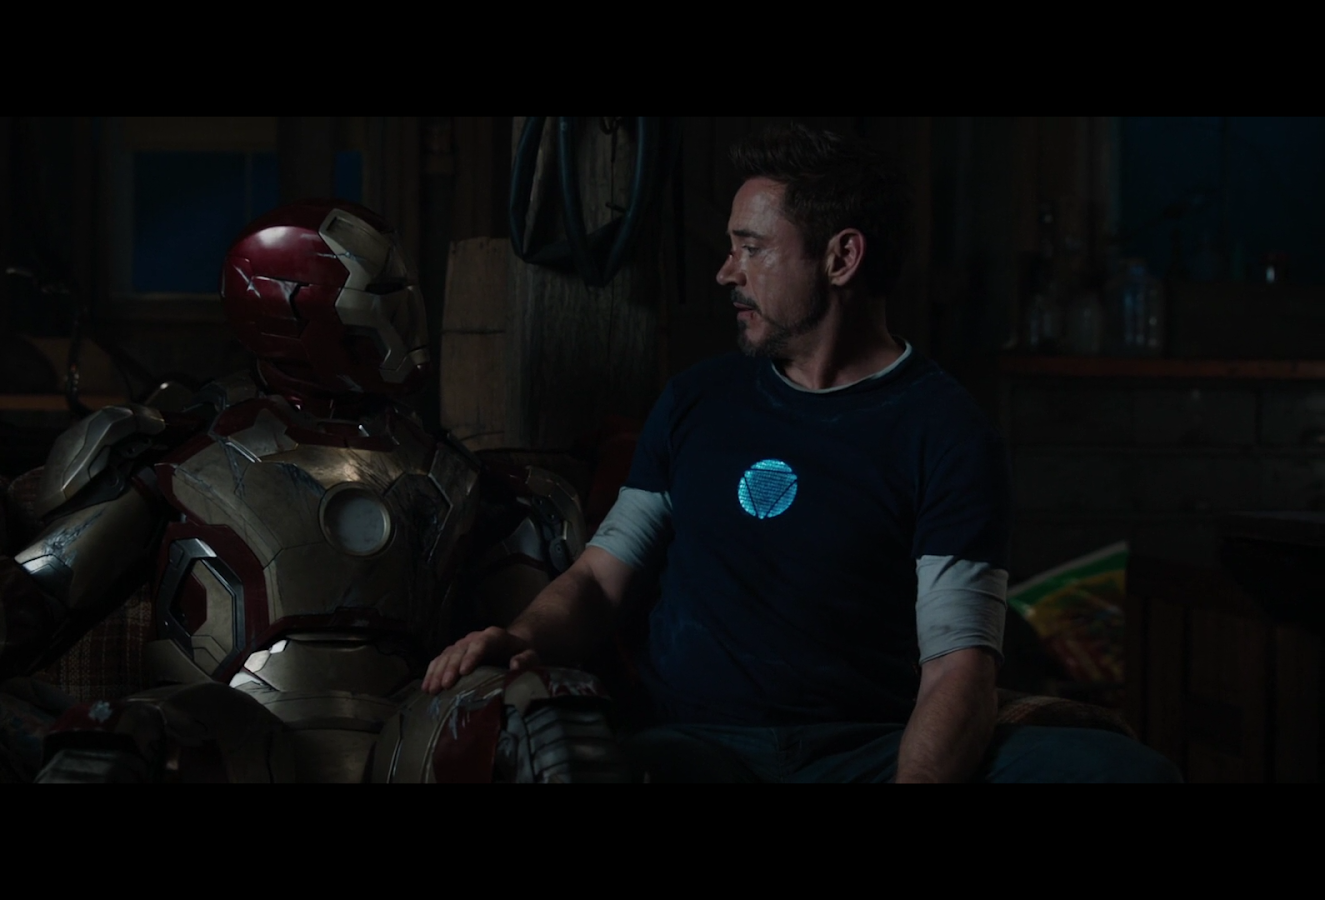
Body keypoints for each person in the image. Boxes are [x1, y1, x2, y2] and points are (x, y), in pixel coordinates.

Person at [0, 200, 623, 783]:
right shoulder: (189, 453)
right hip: (226, 724)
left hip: (410, 728)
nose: (402, 334)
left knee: (555, 726)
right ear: (300, 320)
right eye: (379, 313)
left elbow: (529, 639)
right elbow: (46, 585)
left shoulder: (460, 474)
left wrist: (526, 671)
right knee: (112, 743)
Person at [424, 123, 1182, 783]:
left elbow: (958, 666)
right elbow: (598, 580)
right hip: (693, 745)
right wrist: (520, 636)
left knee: (1122, 772)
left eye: (751, 248)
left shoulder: (946, 431)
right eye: (731, 248)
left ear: (841, 258)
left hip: (865, 751)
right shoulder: (698, 401)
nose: (727, 271)